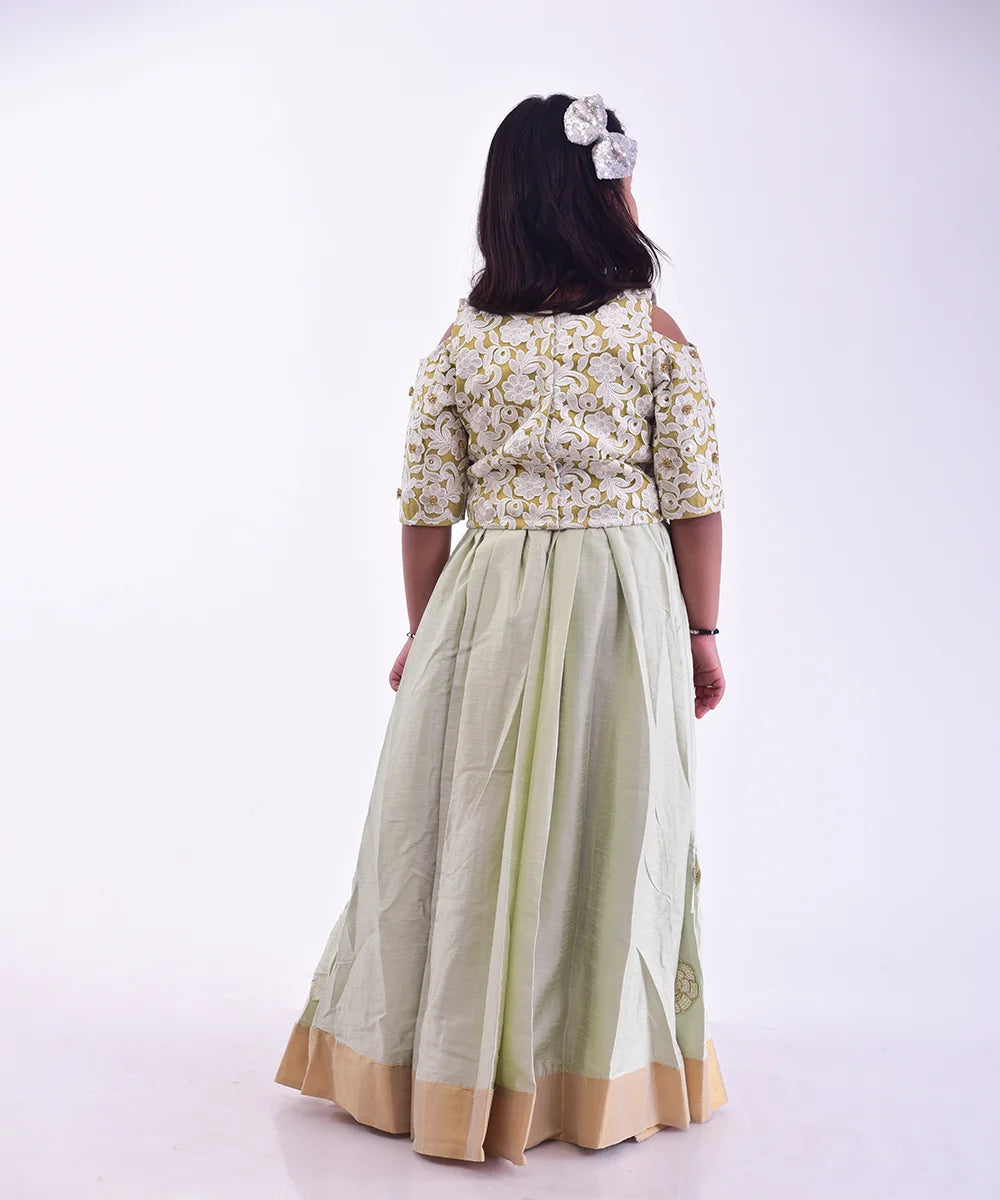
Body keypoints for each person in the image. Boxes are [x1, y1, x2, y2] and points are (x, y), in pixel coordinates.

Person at [274, 92, 729, 1166]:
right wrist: (704, 632)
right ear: (600, 194)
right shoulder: (654, 335)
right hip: (621, 604)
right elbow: (696, 502)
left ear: (506, 204)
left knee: (467, 833)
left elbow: (425, 510)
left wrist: (425, 630)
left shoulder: (462, 344)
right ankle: (591, 1075)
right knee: (613, 824)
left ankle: (443, 1067)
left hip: (489, 605)